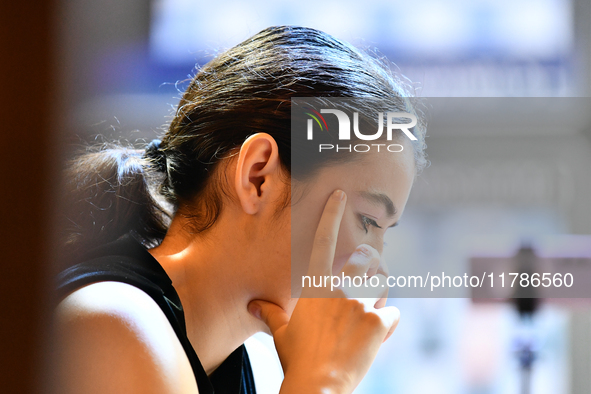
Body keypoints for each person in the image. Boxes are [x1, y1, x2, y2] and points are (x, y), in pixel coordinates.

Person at [49, 25, 427, 394]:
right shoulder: (115, 328)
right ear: (257, 176)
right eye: (368, 220)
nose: (374, 267)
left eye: (383, 232)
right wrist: (324, 380)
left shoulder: (250, 367)